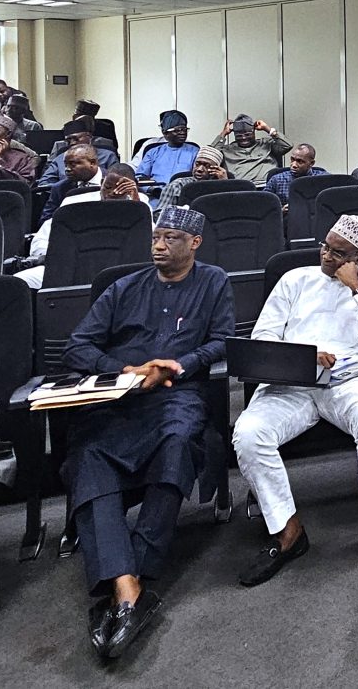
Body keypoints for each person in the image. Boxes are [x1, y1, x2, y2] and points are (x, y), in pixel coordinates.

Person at [61, 207, 234, 659]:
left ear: (194, 243)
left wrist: (178, 365)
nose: (159, 245)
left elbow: (221, 341)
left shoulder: (213, 282)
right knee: (89, 455)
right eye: (156, 237)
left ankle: (126, 580)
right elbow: (78, 346)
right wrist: (125, 370)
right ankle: (129, 587)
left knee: (177, 443)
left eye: (171, 238)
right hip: (120, 396)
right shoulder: (123, 288)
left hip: (178, 393)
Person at [233, 215, 358, 584]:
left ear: (357, 258)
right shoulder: (294, 279)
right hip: (293, 381)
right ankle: (287, 531)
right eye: (325, 247)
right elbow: (264, 336)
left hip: (350, 380)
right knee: (248, 434)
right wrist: (304, 355)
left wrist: (357, 289)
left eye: (338, 253)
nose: (326, 256)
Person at [16, 164, 150, 289]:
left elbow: (152, 241)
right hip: (70, 267)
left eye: (120, 190)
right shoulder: (75, 202)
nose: (112, 193)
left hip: (121, 271)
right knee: (19, 282)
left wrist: (135, 203)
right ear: (101, 182)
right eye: (108, 187)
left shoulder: (140, 206)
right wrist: (57, 257)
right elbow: (41, 240)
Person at [210, 113, 291, 184]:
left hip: (268, 186)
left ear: (254, 132)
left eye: (247, 134)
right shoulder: (227, 150)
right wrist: (223, 134)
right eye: (239, 136)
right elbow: (209, 158)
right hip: (241, 189)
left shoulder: (266, 143)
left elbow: (287, 145)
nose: (244, 138)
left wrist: (267, 129)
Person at [39, 118, 118, 186]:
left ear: (89, 137)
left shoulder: (108, 156)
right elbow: (44, 183)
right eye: (68, 140)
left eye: (76, 138)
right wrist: (61, 189)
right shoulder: (60, 158)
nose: (72, 143)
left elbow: (117, 179)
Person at [38, 144, 104, 224]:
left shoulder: (113, 181)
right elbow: (45, 220)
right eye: (65, 165)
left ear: (92, 163)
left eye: (73, 164)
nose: (67, 169)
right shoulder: (60, 188)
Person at [155, 146, 228, 214]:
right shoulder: (177, 185)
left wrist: (225, 184)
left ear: (217, 169)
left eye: (207, 166)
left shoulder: (221, 186)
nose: (199, 169)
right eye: (197, 164)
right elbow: (160, 214)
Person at [136, 110, 199, 184]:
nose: (183, 133)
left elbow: (199, 177)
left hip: (182, 190)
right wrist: (151, 189)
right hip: (155, 189)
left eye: (185, 129)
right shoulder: (153, 152)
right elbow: (140, 177)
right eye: (177, 130)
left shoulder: (195, 152)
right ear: (165, 133)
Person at [264, 143, 329, 211]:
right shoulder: (277, 180)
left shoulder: (323, 179)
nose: (294, 165)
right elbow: (264, 206)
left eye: (299, 161)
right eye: (292, 159)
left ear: (311, 163)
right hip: (286, 216)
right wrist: (281, 210)